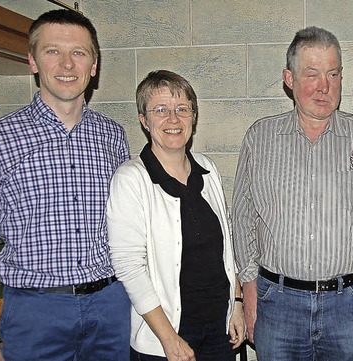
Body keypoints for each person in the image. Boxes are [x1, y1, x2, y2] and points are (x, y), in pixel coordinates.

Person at [232, 26, 353, 360]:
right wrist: (249, 291)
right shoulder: (260, 138)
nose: (325, 86)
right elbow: (243, 218)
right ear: (288, 79)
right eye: (312, 74)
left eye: (333, 74)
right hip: (277, 305)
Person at [0, 9, 131, 361]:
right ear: (32, 61)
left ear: (93, 66)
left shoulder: (113, 136)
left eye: (78, 53)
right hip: (36, 315)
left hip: (111, 309)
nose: (67, 64)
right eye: (53, 51)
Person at [107, 70, 245, 361]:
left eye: (182, 109)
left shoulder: (207, 170)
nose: (173, 119)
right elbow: (129, 266)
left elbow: (226, 248)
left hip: (219, 331)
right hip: (167, 336)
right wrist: (169, 339)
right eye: (160, 110)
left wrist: (236, 304)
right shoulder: (131, 179)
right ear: (144, 120)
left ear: (193, 117)